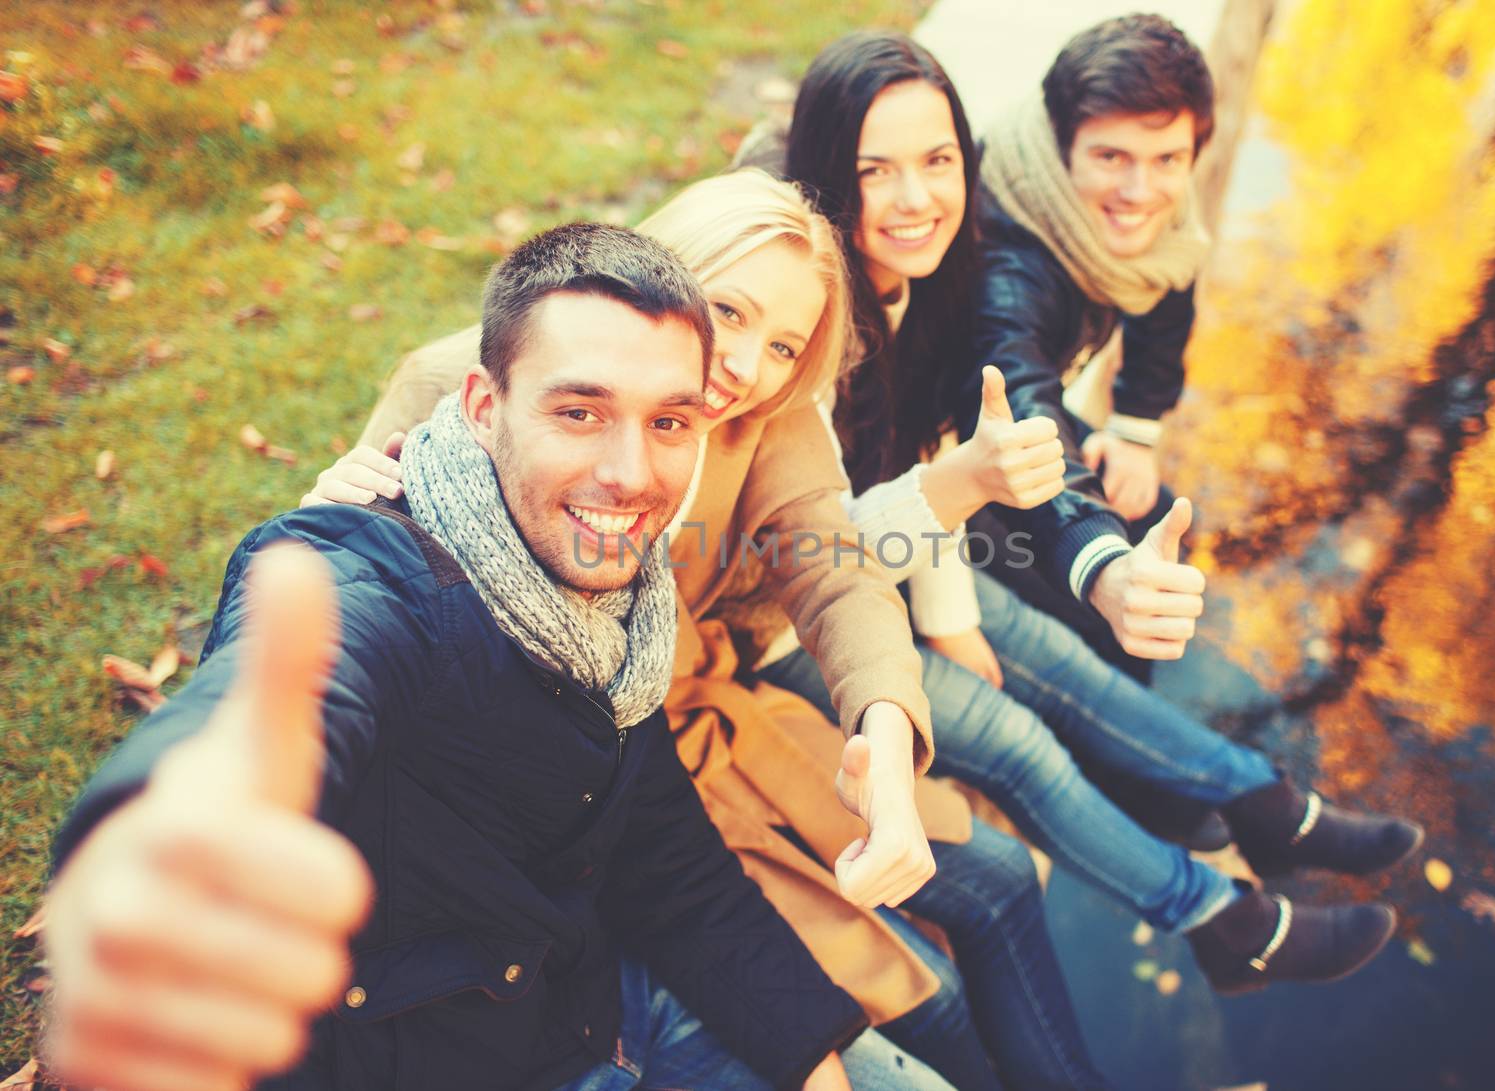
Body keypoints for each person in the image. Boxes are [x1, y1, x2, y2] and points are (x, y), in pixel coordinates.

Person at [43, 223, 947, 1091]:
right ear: (484, 406)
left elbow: (668, 863)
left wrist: (812, 1059)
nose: (630, 473)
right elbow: (289, 691)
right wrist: (168, 832)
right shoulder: (379, 577)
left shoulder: (621, 614)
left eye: (669, 423)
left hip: (603, 1013)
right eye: (580, 411)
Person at [309, 170, 1107, 1090]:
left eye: (782, 345)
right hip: (551, 802)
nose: (744, 366)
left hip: (673, 740)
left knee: (997, 868)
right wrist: (330, 514)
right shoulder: (461, 386)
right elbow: (344, 571)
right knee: (926, 997)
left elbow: (837, 572)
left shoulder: (768, 419)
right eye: (727, 311)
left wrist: (885, 730)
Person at [743, 29, 1422, 994]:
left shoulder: (925, 274)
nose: (917, 196)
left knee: (1079, 670)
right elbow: (842, 524)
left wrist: (1123, 440)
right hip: (804, 606)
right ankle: (1230, 906)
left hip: (887, 552)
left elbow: (935, 443)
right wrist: (1033, 575)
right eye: (874, 169)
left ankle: (1262, 814)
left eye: (939, 162)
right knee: (1036, 730)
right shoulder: (849, 309)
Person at [960, 13, 1221, 688]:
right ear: (1060, 145)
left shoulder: (1157, 219)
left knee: (1156, 511)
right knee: (1098, 597)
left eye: (1168, 160)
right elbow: (1016, 398)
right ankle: (1126, 752)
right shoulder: (1009, 256)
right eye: (1111, 158)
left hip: (1003, 431)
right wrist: (1099, 561)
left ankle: (1141, 704)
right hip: (939, 452)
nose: (1141, 193)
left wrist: (1134, 430)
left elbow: (1166, 282)